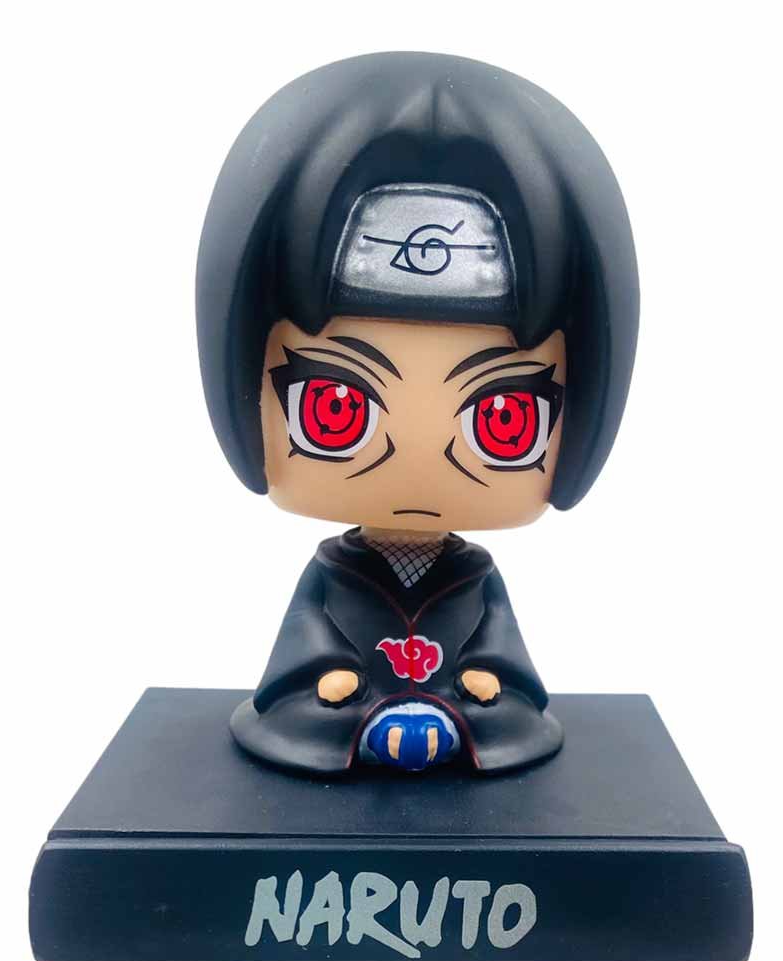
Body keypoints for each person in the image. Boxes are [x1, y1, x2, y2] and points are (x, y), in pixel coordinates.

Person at [196, 53, 638, 773]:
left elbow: (500, 656)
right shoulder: (332, 577)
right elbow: (304, 646)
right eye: (337, 409)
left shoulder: (474, 581)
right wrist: (332, 680)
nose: (420, 464)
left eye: (503, 418)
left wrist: (482, 681)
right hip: (341, 709)